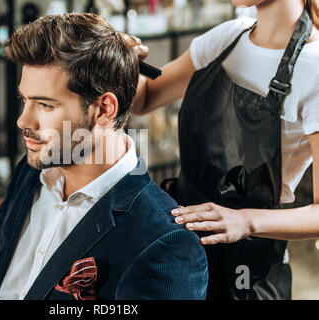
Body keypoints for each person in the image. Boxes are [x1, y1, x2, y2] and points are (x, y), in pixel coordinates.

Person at [0, 13, 208, 300]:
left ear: (104, 110)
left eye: (45, 106)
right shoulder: (31, 174)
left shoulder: (163, 244)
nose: (23, 121)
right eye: (24, 101)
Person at [125, 0, 319, 300]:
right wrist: (121, 61)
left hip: (247, 267)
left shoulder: (315, 67)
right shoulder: (227, 39)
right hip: (180, 245)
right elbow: (144, 99)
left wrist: (244, 221)